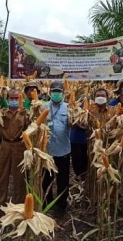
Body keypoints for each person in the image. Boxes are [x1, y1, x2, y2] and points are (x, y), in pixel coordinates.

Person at [0, 89, 30, 212]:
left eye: (16, 98)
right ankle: (0, 202)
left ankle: (18, 204)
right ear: (7, 100)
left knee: (19, 176)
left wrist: (26, 117)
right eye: (11, 98)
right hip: (5, 145)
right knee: (2, 174)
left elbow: (30, 129)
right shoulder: (2, 113)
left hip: (19, 145)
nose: (14, 100)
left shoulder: (25, 113)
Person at [42, 80, 71, 215]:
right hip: (46, 150)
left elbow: (77, 122)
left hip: (63, 149)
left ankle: (61, 205)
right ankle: (47, 201)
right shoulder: (42, 107)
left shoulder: (69, 107)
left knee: (63, 180)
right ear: (49, 92)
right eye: (54, 91)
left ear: (63, 93)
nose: (56, 94)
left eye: (58, 92)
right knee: (46, 178)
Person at [70, 95, 88, 181]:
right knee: (77, 157)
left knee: (85, 157)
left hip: (87, 139)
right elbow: (72, 122)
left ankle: (84, 174)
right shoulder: (75, 109)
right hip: (75, 138)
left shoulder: (90, 109)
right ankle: (78, 174)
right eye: (82, 99)